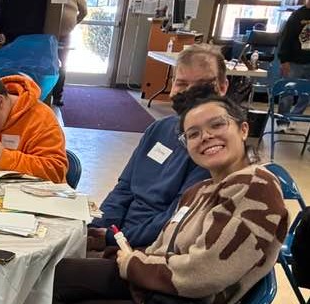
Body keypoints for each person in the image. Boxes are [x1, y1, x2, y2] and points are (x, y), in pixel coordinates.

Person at [53, 88, 288, 304]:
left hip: (180, 297)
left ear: (243, 129)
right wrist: (125, 256)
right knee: (52, 274)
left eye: (217, 125)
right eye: (193, 134)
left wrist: (132, 263)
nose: (205, 136)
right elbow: (161, 247)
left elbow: (203, 273)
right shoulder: (200, 190)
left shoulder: (255, 185)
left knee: (52, 285)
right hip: (156, 287)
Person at [87, 45, 223, 253]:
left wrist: (112, 238)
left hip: (153, 250)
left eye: (202, 85)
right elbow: (124, 188)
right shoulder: (159, 129)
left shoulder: (214, 150)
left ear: (222, 87)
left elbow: (175, 220)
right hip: (119, 237)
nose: (190, 92)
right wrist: (98, 227)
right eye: (182, 83)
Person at [274, 1, 310, 132]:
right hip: (294, 61)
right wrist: (284, 60)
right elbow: (286, 38)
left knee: (306, 95)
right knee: (287, 93)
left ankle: (295, 118)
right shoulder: (297, 15)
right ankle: (283, 122)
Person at [51, 0, 87, 107]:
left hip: (63, 34)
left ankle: (56, 96)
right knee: (50, 64)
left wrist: (72, 24)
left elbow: (84, 12)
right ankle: (48, 94)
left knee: (61, 65)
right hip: (48, 31)